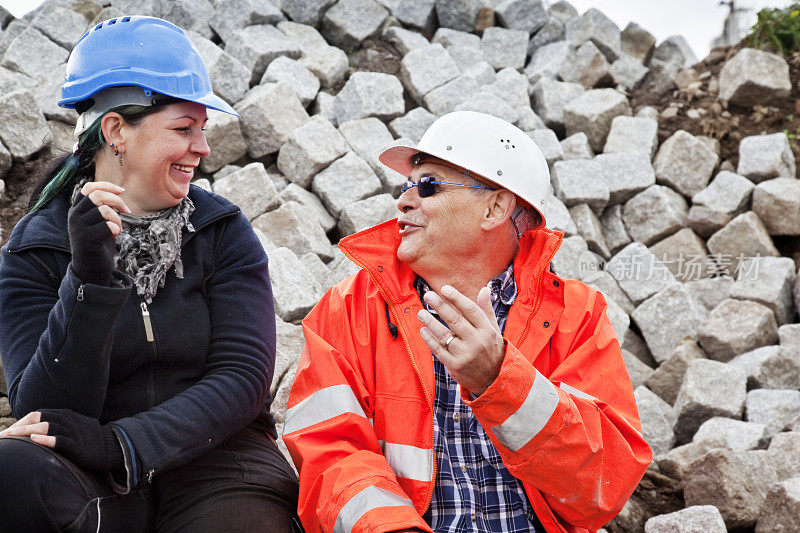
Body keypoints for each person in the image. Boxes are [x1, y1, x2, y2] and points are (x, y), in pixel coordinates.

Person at [283, 111, 652, 533]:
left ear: (495, 208)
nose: (402, 201)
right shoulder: (346, 309)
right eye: (406, 186)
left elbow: (604, 485)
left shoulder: (577, 314)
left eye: (428, 185)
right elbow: (329, 451)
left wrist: (499, 379)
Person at [0, 16, 298, 532]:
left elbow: (243, 379)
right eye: (184, 129)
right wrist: (89, 282)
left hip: (220, 463)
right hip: (91, 472)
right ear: (116, 130)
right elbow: (44, 411)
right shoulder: (35, 250)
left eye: (202, 130)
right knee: (11, 472)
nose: (202, 148)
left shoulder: (220, 230)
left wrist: (124, 444)